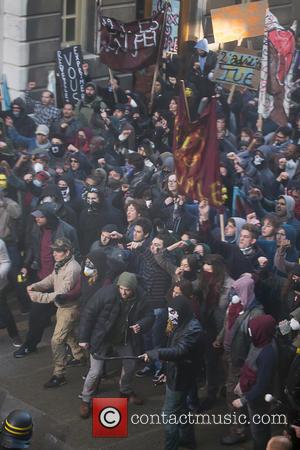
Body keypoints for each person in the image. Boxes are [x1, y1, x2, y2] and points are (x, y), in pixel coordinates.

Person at [78, 272, 154, 418]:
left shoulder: (141, 297)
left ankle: (125, 390)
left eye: (127, 290)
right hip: (102, 337)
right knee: (95, 372)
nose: (123, 292)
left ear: (134, 289)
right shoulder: (106, 293)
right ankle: (86, 399)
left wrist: (141, 324)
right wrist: (84, 338)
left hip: (123, 337)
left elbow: (150, 315)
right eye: (121, 288)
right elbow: (89, 313)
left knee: (131, 365)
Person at [140, 295, 202, 450]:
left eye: (174, 312)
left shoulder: (193, 328)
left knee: (169, 414)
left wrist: (155, 354)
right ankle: (187, 440)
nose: (171, 316)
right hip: (176, 373)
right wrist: (166, 371)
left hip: (181, 376)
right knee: (181, 410)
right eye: (170, 312)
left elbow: (180, 351)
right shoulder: (181, 323)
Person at [26, 238, 84, 388]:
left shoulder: (72, 269)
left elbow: (61, 293)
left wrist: (38, 296)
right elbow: (51, 279)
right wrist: (36, 286)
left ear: (67, 252)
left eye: (58, 251)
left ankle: (59, 375)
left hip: (69, 308)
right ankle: (79, 356)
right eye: (54, 251)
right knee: (68, 333)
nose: (54, 254)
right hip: (62, 307)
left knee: (57, 340)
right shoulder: (61, 264)